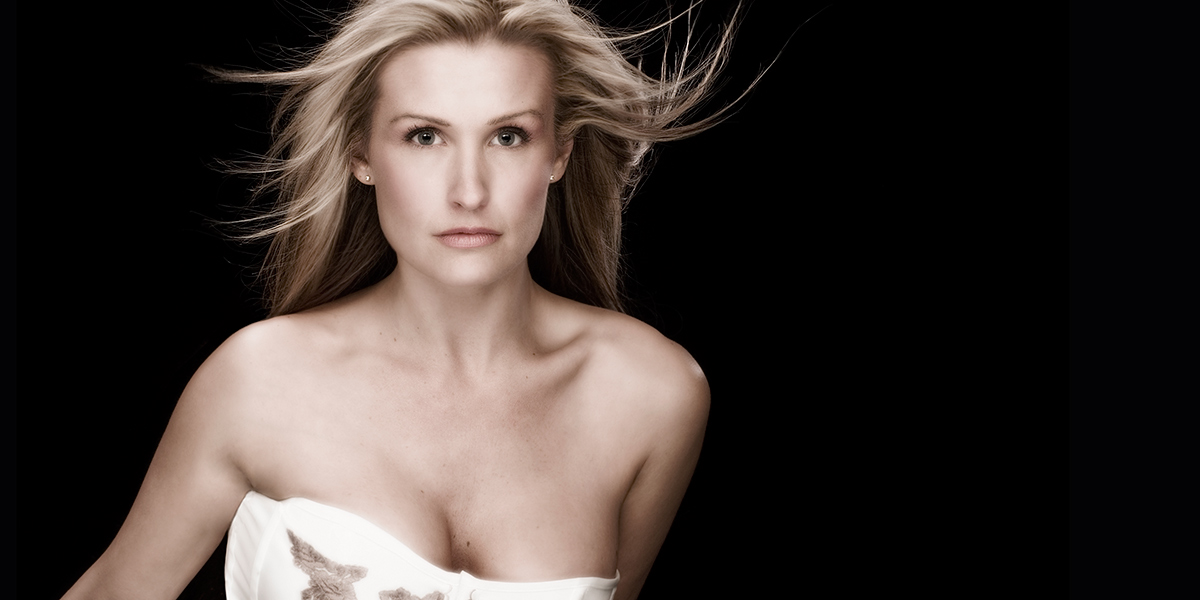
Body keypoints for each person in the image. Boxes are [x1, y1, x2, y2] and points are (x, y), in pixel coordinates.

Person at [63, 1, 739, 598]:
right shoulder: (260, 381)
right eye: (424, 136)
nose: (468, 190)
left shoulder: (652, 394)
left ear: (558, 154)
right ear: (361, 154)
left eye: (508, 137)